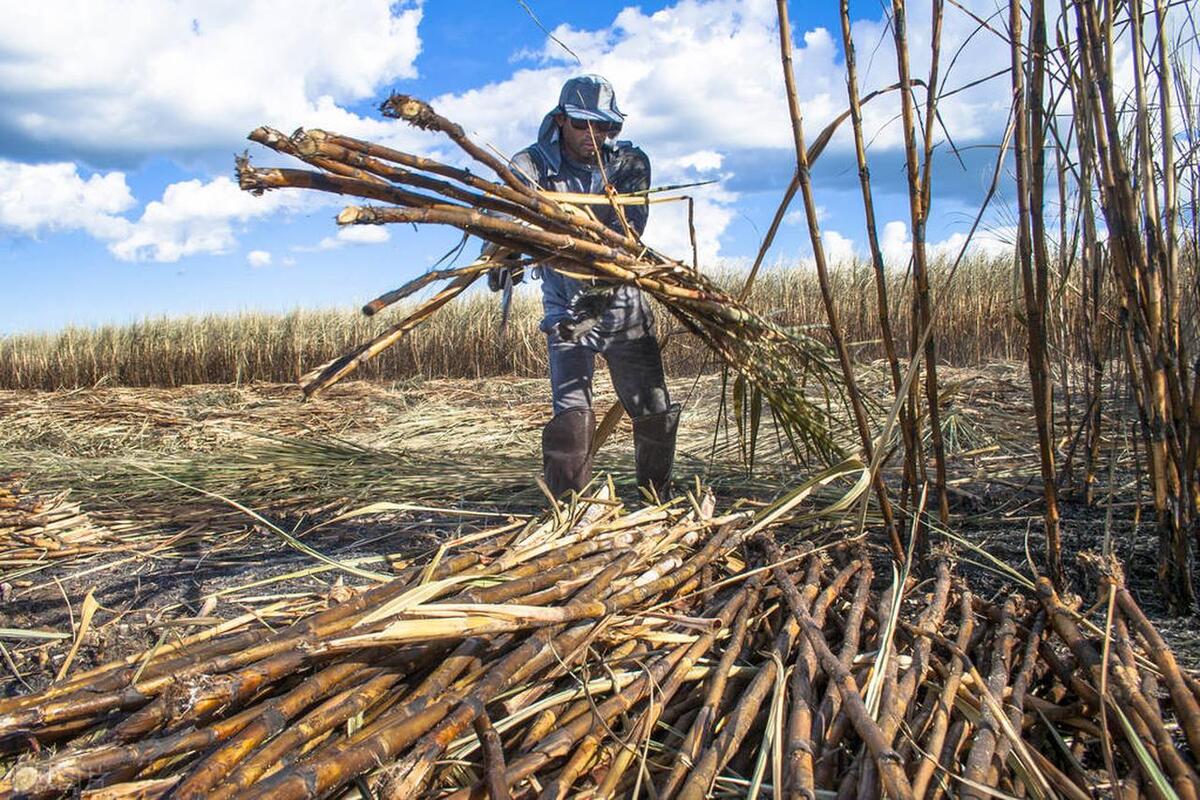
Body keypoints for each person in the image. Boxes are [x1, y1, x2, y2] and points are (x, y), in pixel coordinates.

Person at [485, 74, 679, 500]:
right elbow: (504, 216)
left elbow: (623, 236)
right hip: (566, 310)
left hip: (620, 304)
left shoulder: (629, 164)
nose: (596, 135)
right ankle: (568, 509)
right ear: (560, 120)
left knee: (653, 407)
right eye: (584, 124)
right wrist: (503, 252)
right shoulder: (532, 165)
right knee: (572, 410)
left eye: (607, 127)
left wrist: (553, 235)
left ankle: (656, 498)